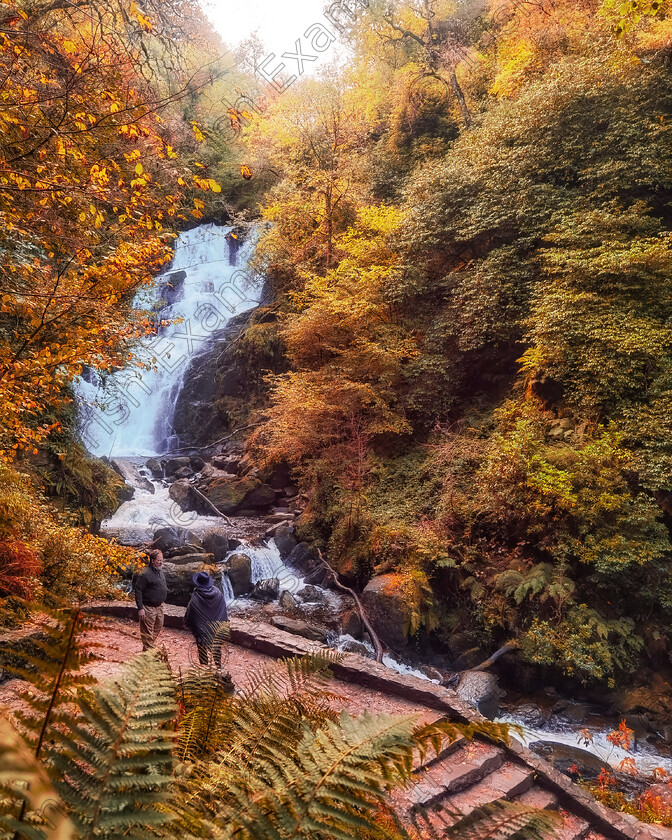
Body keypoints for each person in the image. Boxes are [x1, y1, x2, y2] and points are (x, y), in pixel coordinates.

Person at [184, 571, 228, 668]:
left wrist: (191, 624)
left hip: (202, 630)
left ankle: (205, 671)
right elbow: (223, 609)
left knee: (202, 650)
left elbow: (191, 613)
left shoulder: (196, 596)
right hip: (216, 628)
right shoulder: (217, 592)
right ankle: (219, 668)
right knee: (216, 648)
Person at [134, 549, 168, 651]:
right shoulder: (145, 574)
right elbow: (138, 591)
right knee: (147, 632)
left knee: (158, 626)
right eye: (159, 560)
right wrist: (140, 608)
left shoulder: (159, 571)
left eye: (162, 560)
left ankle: (147, 648)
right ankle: (149, 654)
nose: (161, 562)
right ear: (152, 561)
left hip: (159, 607)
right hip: (148, 608)